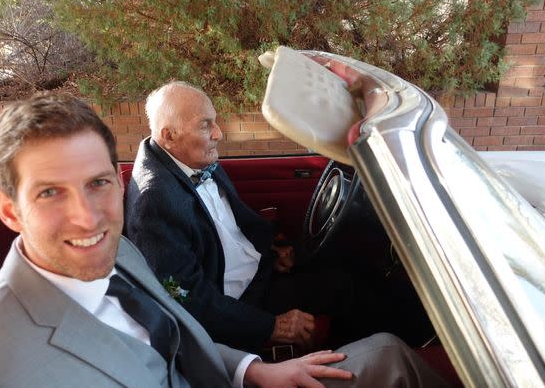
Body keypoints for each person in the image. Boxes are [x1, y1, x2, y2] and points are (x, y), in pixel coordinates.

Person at [0, 93, 449, 387]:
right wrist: (269, 329)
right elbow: (198, 304)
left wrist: (252, 371)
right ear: (9, 211)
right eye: (50, 193)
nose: (87, 216)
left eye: (97, 183)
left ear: (117, 181)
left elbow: (175, 336)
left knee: (388, 356)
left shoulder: (120, 253)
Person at [125, 79, 382, 353]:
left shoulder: (191, 158)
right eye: (205, 125)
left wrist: (274, 248)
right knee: (343, 288)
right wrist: (270, 326)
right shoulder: (155, 202)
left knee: (348, 257)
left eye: (215, 122)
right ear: (169, 135)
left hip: (258, 270)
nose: (218, 134)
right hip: (238, 302)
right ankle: (382, 356)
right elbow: (187, 299)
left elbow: (238, 223)